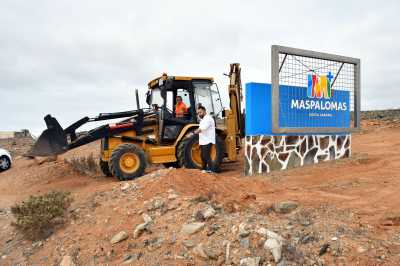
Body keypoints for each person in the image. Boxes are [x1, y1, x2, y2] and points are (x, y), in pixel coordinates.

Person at [194, 106, 216, 173]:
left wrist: (193, 132)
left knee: (206, 155)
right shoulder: (203, 120)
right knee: (202, 155)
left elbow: (201, 129)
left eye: (200, 112)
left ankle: (212, 170)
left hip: (208, 140)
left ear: (204, 111)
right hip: (203, 141)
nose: (199, 114)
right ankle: (204, 169)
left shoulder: (208, 119)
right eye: (198, 113)